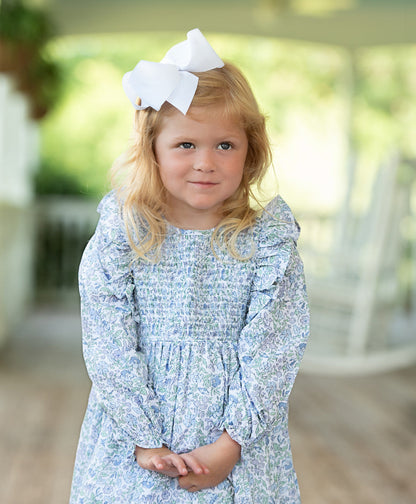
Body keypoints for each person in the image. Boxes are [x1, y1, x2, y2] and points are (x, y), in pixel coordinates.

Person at [70, 28, 309, 503]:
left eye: (225, 145)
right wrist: (144, 439)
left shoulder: (265, 242)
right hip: (135, 437)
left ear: (250, 151)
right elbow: (107, 339)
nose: (206, 162)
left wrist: (231, 444)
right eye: (186, 146)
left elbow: (275, 349)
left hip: (235, 440)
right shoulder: (125, 235)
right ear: (153, 151)